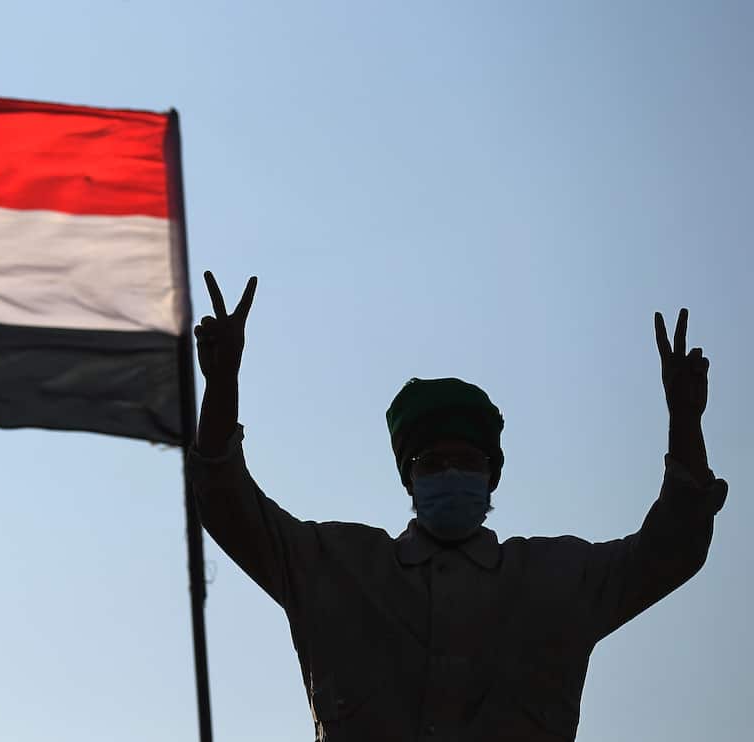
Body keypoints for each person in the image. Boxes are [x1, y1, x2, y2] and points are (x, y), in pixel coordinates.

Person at [189, 271, 727, 741]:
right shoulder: (333, 565)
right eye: (433, 462)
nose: (451, 474)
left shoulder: (559, 578)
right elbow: (227, 502)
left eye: (467, 461)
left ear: (492, 476)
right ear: (409, 478)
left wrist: (685, 421)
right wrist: (221, 388)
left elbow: (673, 549)